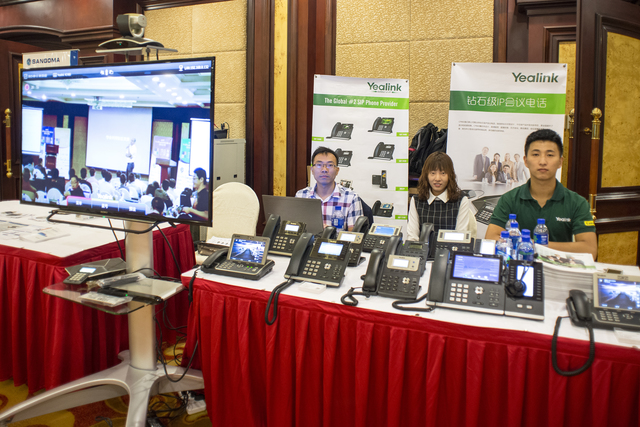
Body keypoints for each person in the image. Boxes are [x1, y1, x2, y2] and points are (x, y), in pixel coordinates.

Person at [485, 129, 597, 259]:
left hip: (559, 268)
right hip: (519, 268)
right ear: (526, 161)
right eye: (536, 154)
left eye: (550, 155)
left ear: (560, 162)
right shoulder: (509, 199)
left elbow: (590, 250)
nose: (543, 161)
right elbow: (491, 239)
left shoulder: (577, 202)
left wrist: (531, 245)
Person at [408, 152, 477, 240]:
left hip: (450, 247)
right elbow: (412, 237)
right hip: (422, 248)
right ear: (426, 175)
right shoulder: (416, 200)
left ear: (450, 175)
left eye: (443, 173)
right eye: (433, 173)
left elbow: (460, 237)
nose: (437, 178)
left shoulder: (461, 200)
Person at [295, 146, 363, 231]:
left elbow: (354, 236)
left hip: (337, 240)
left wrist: (330, 233)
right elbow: (295, 230)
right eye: (319, 165)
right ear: (312, 170)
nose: (324, 169)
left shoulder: (351, 197)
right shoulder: (301, 195)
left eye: (330, 165)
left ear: (337, 170)